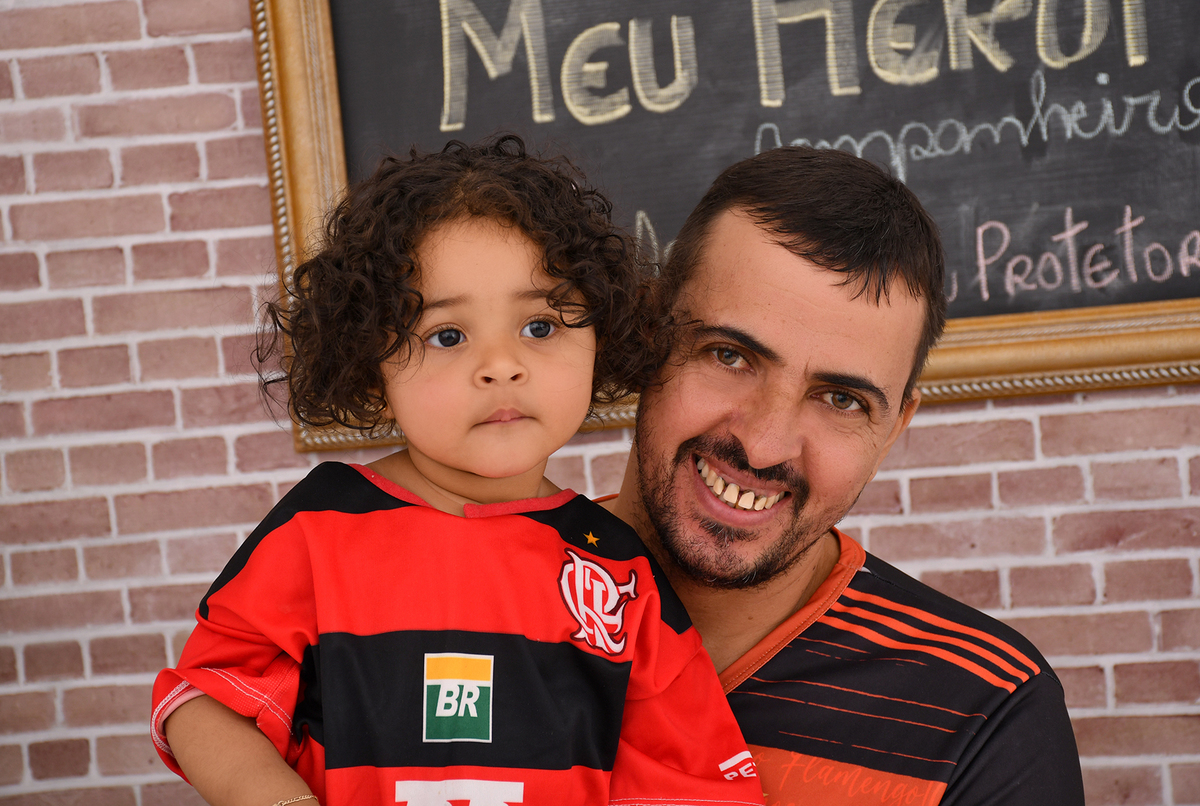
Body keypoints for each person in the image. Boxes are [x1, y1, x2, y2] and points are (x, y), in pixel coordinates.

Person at [150, 136, 765, 806]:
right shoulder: (319, 530)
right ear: (373, 370)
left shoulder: (617, 571)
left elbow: (689, 783)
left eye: (540, 326)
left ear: (601, 337)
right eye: (448, 336)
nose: (501, 366)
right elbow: (206, 702)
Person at [605, 146, 1086, 805]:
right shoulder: (470, 598)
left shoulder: (987, 712)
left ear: (893, 429)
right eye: (730, 355)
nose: (764, 445)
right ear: (646, 330)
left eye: (841, 400)